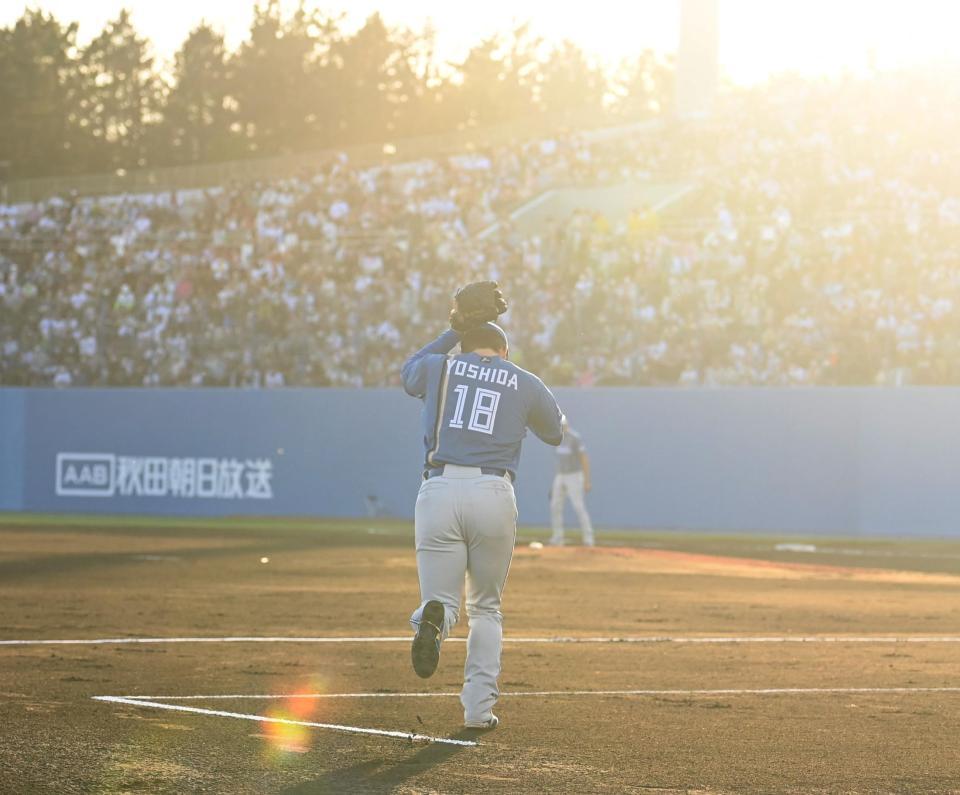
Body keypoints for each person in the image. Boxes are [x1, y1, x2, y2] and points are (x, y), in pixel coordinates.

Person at [401, 315, 563, 730]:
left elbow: (408, 373)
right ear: (504, 350)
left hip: (438, 488)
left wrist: (453, 328)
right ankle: (477, 711)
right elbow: (555, 432)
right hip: (493, 490)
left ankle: (433, 617)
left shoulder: (441, 365)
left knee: (442, 600)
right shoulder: (524, 380)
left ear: (463, 345)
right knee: (486, 608)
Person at [549, 418, 595, 547]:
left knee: (578, 506)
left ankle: (588, 538)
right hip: (560, 475)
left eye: (562, 425)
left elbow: (584, 459)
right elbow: (559, 460)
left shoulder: (574, 438)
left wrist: (587, 480)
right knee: (555, 506)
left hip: (574, 475)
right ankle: (557, 538)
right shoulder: (555, 438)